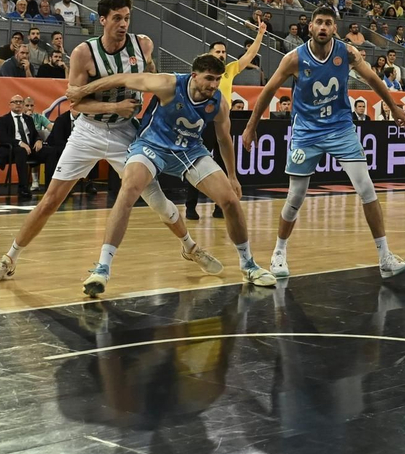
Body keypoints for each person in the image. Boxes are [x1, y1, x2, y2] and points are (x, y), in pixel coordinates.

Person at [0, 0, 221, 285]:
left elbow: (151, 77)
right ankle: (9, 260)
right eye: (117, 18)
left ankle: (190, 247)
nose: (123, 24)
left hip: (126, 132)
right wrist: (113, 107)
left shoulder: (143, 45)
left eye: (127, 18)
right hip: (88, 131)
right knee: (51, 200)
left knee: (157, 200)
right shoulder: (84, 53)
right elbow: (75, 104)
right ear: (102, 20)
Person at [75, 55, 277, 295]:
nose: (214, 85)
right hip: (151, 146)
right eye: (209, 79)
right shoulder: (168, 84)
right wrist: (82, 91)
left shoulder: (219, 103)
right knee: (128, 191)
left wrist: (232, 176)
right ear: (194, 76)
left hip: (190, 151)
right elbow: (123, 78)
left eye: (218, 79)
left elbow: (224, 140)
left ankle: (248, 265)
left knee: (230, 201)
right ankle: (102, 269)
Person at [243, 5, 405, 280]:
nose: (323, 27)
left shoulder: (347, 53)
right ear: (310, 27)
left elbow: (372, 79)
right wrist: (251, 127)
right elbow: (268, 91)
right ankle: (279, 252)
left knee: (366, 187)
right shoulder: (294, 58)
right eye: (319, 22)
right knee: (295, 196)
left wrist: (394, 107)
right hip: (306, 131)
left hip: (340, 128)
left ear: (335, 28)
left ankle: (385, 258)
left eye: (328, 23)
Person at [188, 14, 270, 220]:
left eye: (224, 52)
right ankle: (190, 206)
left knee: (224, 166)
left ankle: (219, 207)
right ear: (209, 54)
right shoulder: (201, 72)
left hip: (223, 122)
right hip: (203, 121)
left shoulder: (229, 70)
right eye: (218, 51)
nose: (222, 54)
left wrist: (260, 34)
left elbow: (250, 55)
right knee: (196, 163)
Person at [0, 94, 43, 201]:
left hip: (29, 148)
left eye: (21, 102)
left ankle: (51, 187)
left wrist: (39, 140)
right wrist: (20, 143)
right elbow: (1, 137)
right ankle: (23, 187)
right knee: (21, 151)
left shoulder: (28, 119)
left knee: (51, 151)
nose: (18, 104)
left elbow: (35, 134)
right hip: (12, 149)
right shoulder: (3, 120)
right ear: (10, 105)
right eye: (15, 102)